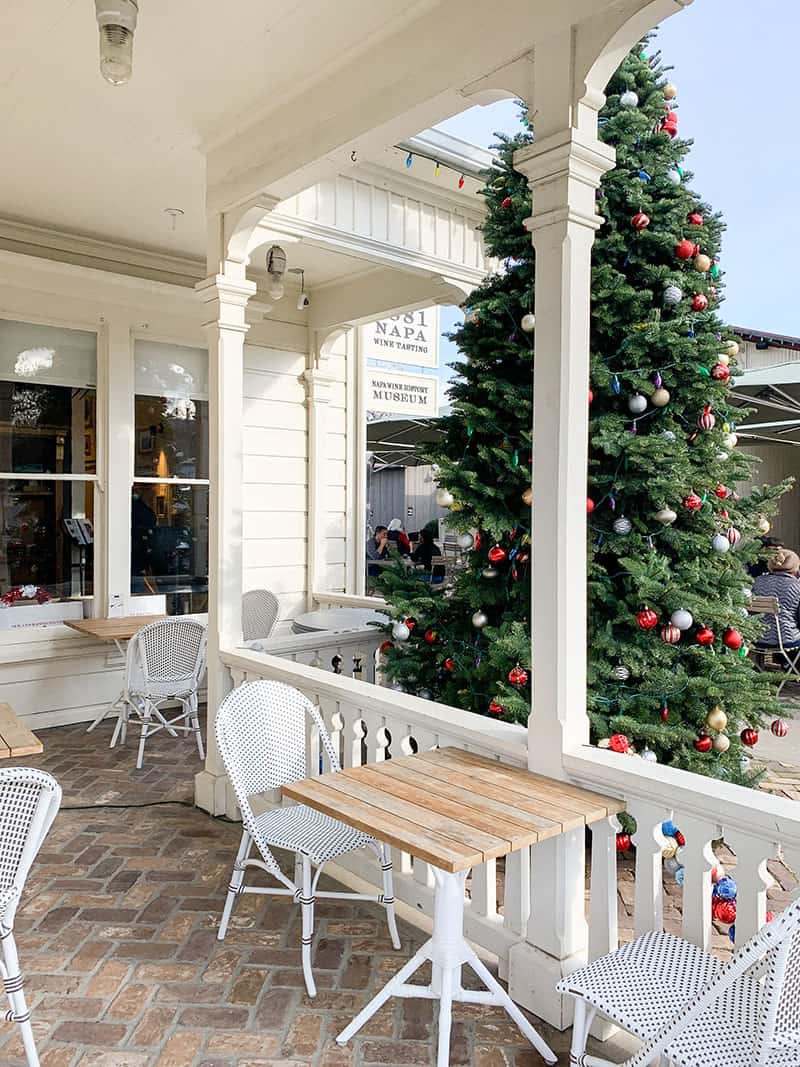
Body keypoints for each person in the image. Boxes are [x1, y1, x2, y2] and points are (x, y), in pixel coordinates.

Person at [753, 548, 800, 647]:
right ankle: (787, 662)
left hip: (756, 638)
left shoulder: (756, 582)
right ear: (795, 567)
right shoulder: (797, 586)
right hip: (787, 640)